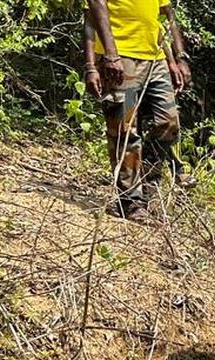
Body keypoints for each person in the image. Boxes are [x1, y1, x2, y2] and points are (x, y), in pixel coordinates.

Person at [84, 0, 192, 222]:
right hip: (121, 59)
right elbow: (92, 14)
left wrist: (177, 59)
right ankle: (131, 201)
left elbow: (164, 19)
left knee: (168, 123)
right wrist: (94, 64)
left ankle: (149, 185)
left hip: (155, 59)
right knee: (125, 131)